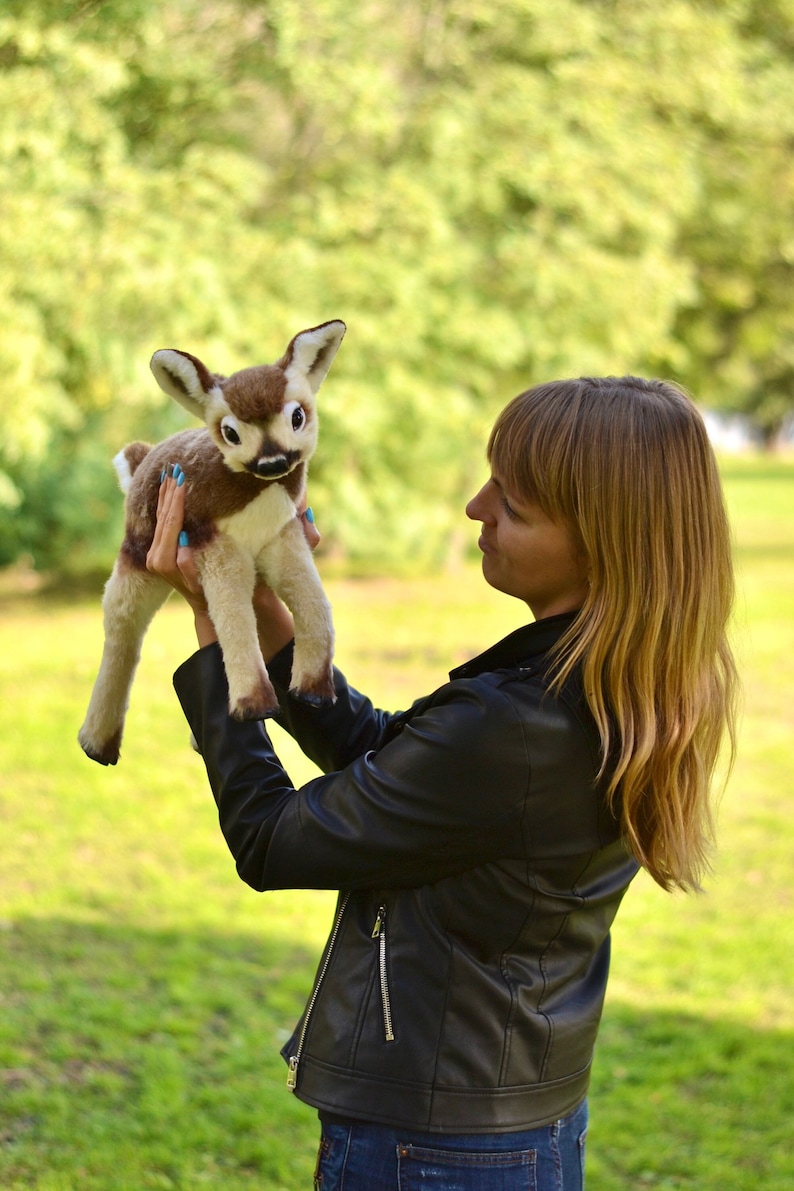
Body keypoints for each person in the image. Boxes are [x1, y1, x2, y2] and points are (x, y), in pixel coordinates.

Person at [147, 374, 738, 1190]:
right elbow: (399, 766)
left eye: (516, 504)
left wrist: (220, 628)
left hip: (434, 1151)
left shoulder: (519, 727)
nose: (476, 506)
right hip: (508, 1121)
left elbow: (271, 839)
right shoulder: (617, 681)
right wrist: (266, 614)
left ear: (607, 539)